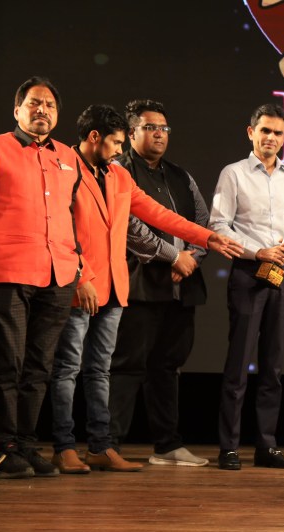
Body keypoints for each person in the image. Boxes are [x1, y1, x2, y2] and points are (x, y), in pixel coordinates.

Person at [48, 104, 242, 474]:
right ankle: (64, 446)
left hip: (114, 289)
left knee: (99, 370)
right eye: (116, 143)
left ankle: (101, 447)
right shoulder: (66, 169)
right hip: (81, 286)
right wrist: (82, 276)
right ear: (95, 138)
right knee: (68, 368)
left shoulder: (118, 176)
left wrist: (207, 237)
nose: (120, 151)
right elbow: (61, 230)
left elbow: (158, 214)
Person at [109, 99, 215, 467]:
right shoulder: (120, 171)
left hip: (182, 287)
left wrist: (191, 259)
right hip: (140, 283)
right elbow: (128, 227)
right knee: (127, 364)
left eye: (164, 128)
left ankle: (167, 445)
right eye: (150, 127)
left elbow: (203, 224)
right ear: (131, 133)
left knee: (168, 366)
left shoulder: (181, 176)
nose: (159, 134)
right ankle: (110, 444)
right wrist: (173, 256)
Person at [210, 103, 284, 471]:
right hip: (248, 271)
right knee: (239, 363)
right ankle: (229, 446)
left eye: (278, 133)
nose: (271, 138)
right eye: (265, 130)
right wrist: (257, 252)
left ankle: (266, 445)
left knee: (273, 364)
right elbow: (219, 225)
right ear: (250, 132)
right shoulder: (234, 174)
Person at [0, 77, 84, 479]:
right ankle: (3, 446)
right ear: (17, 110)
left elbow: (72, 214)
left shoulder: (68, 157)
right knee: (7, 363)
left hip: (57, 273)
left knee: (39, 366)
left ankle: (26, 444)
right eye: (34, 103)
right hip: (8, 271)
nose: (42, 110)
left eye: (49, 105)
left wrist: (78, 264)